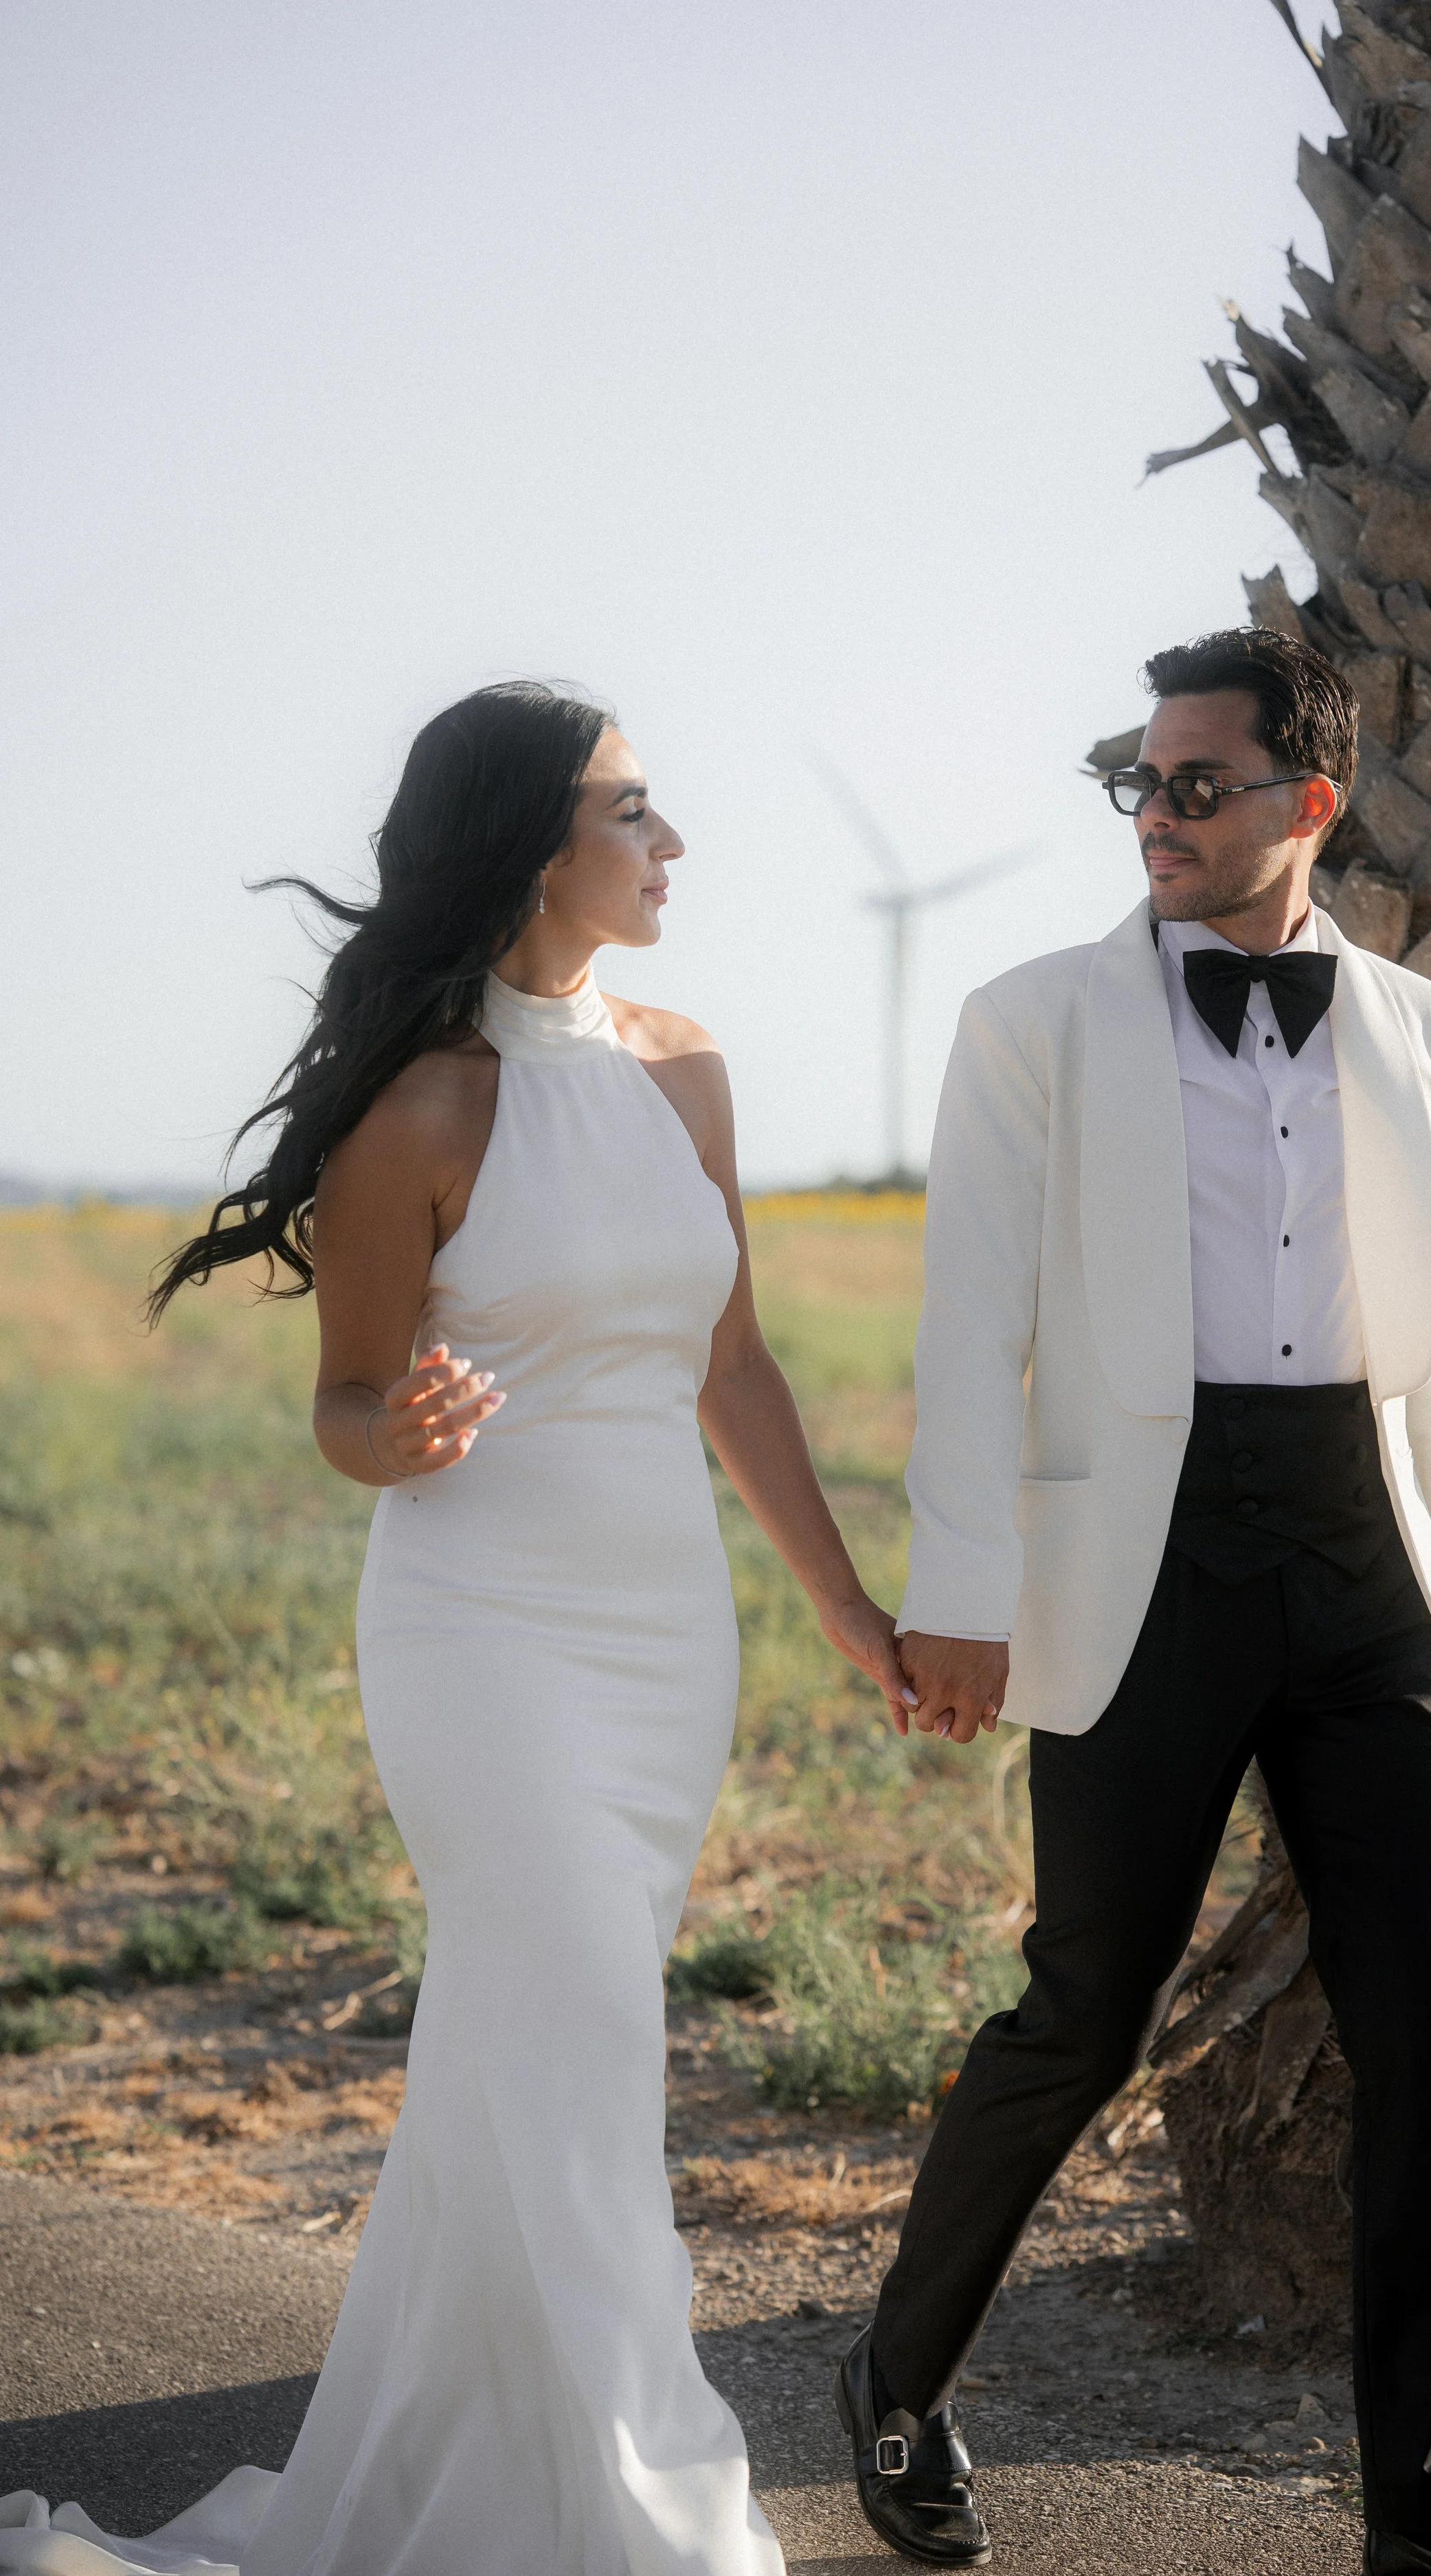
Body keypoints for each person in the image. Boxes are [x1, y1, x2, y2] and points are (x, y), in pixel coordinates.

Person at [0, 683, 907, 2576]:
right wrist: (386, 1430)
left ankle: (483, 2491)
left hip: (665, 1640)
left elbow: (729, 1357)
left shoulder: (687, 1070)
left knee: (532, 2058)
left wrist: (842, 1605)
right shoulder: (421, 1108)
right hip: (479, 1632)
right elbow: (345, 1397)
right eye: (633, 811)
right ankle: (653, 2517)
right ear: (528, 845)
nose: (671, 847)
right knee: (577, 2039)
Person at [836, 628, 1431, 2576]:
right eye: (1136, 781)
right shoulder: (1028, 1018)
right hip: (1132, 1563)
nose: (1155, 814)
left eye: (1195, 783)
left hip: (1362, 1551)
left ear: (1304, 804)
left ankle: (1425, 2501)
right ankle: (896, 2376)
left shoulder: (1423, 1031)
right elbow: (967, 1330)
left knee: (1420, 2029)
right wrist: (961, 1592)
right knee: (1085, 2009)